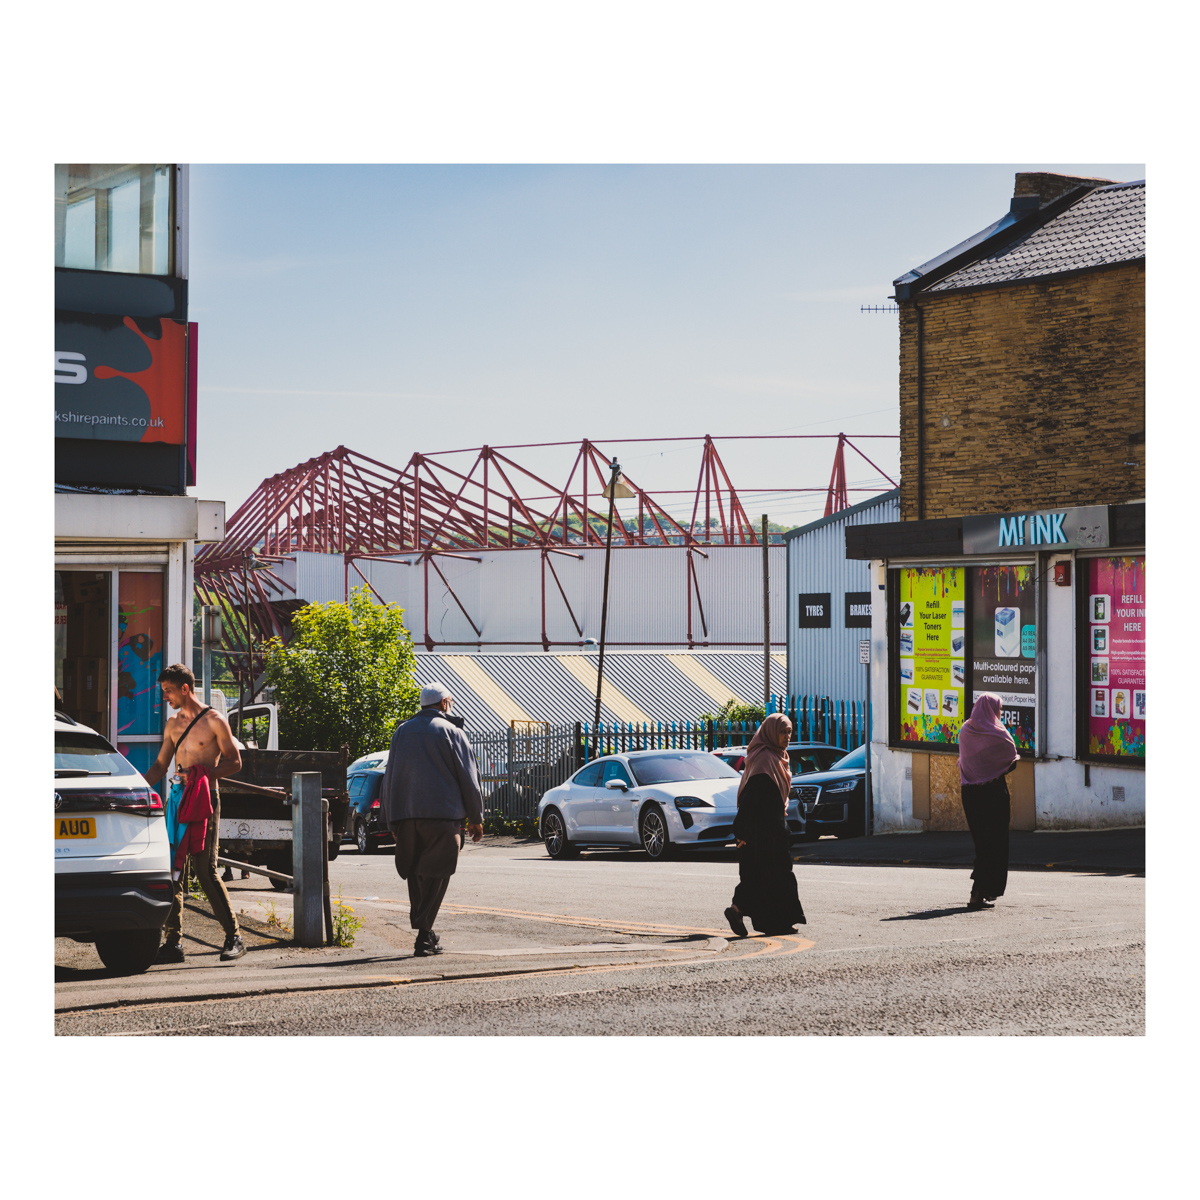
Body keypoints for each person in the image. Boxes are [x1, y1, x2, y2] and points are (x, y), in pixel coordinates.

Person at [143, 664, 245, 963]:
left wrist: (201, 774)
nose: (165, 697)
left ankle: (234, 937)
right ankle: (173, 943)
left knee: (205, 870)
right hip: (176, 800)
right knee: (172, 871)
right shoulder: (173, 724)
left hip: (203, 799)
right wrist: (135, 788)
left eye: (169, 691)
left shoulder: (215, 720)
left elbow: (235, 762)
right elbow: (161, 765)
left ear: (185, 689)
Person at [380, 683, 484, 957]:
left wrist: (391, 820)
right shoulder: (453, 732)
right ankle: (424, 935)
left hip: (407, 817)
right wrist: (476, 817)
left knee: (415, 871)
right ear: (444, 703)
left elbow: (389, 777)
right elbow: (469, 778)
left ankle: (426, 931)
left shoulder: (401, 732)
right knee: (438, 873)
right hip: (443, 817)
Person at [724, 713, 806, 937]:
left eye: (789, 732)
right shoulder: (765, 759)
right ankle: (777, 922)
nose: (787, 737)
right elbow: (750, 799)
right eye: (782, 732)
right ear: (770, 733)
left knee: (761, 876)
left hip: (772, 828)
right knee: (777, 875)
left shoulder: (777, 757)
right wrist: (741, 832)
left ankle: (739, 911)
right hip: (763, 831)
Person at [957, 692, 1020, 911]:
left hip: (970, 795)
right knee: (996, 843)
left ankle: (980, 891)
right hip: (994, 794)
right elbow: (1012, 761)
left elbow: (967, 762)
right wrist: (994, 768)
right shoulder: (997, 733)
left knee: (982, 843)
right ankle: (980, 891)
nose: (1000, 713)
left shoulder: (965, 731)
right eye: (999, 709)